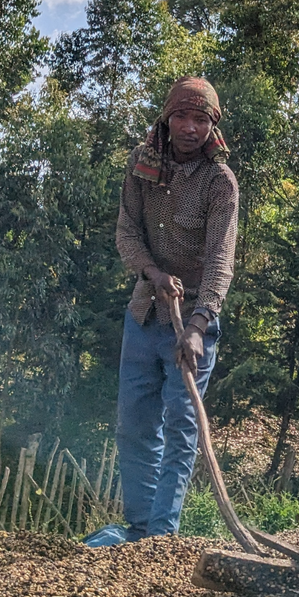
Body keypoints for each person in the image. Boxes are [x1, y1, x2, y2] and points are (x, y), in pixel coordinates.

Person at [114, 76, 239, 541]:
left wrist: (197, 325)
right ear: (167, 120)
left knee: (182, 426)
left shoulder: (219, 182)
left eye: (201, 119)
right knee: (134, 424)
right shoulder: (142, 165)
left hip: (193, 324)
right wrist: (152, 272)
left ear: (212, 127)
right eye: (182, 117)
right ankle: (140, 526)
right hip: (145, 314)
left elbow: (221, 261)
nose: (190, 127)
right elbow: (127, 233)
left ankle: (161, 538)